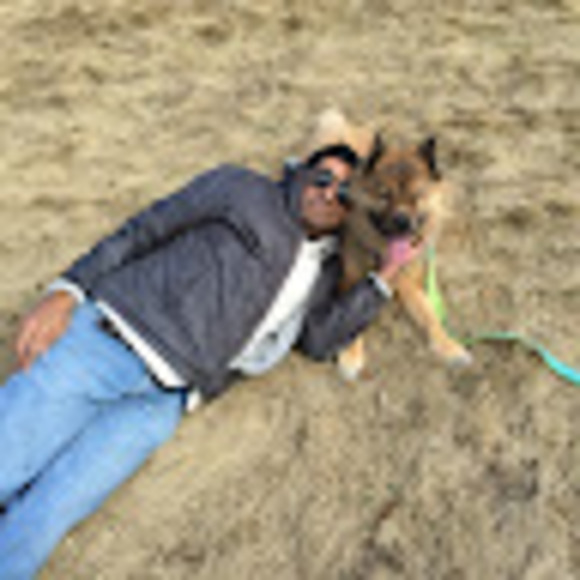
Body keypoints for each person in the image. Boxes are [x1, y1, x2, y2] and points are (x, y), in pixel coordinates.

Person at [0, 143, 420, 578]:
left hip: (162, 404)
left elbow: (317, 341)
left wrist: (384, 277)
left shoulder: (324, 270)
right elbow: (149, 228)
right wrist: (68, 290)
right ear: (300, 174)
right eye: (322, 179)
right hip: (113, 341)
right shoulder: (242, 189)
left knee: (45, 517)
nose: (330, 194)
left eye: (345, 193)